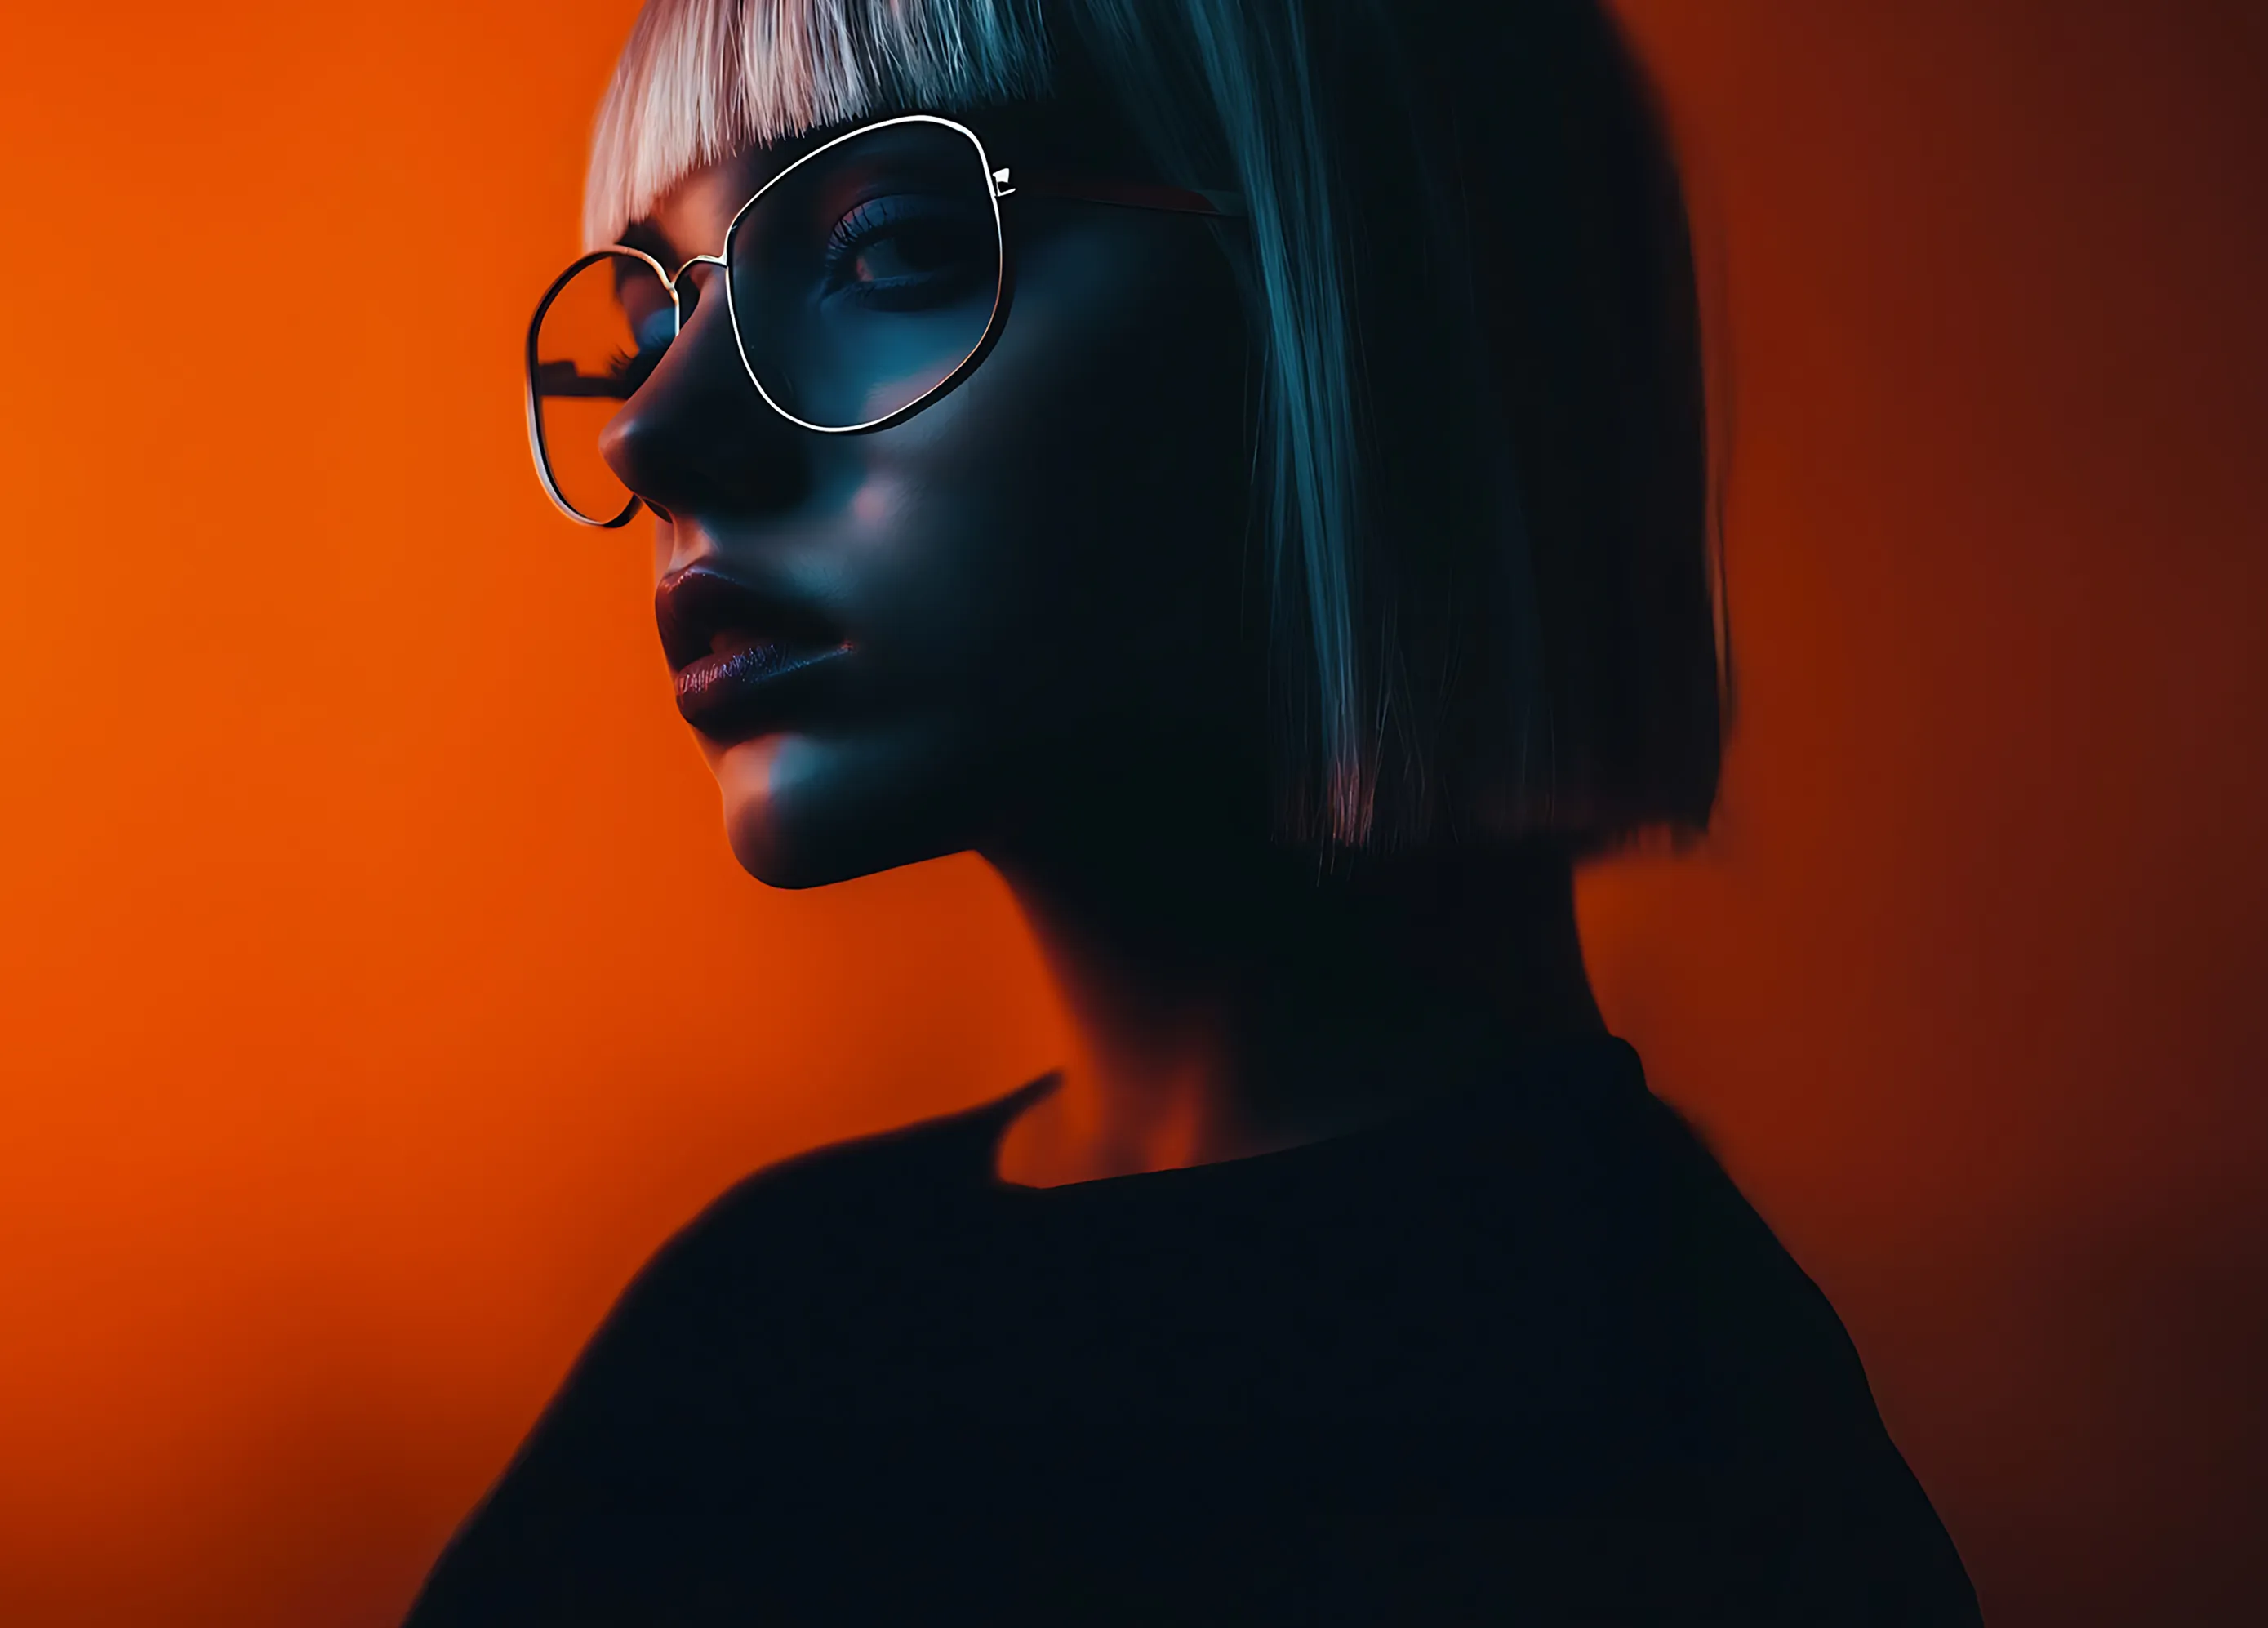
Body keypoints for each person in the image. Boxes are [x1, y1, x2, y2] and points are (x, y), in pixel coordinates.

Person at [406, 0, 1982, 1621]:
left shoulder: (1672, 1451)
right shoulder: (760, 1328)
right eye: (648, 322)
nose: (654, 429)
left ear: (1375, 292)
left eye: (888, 246)